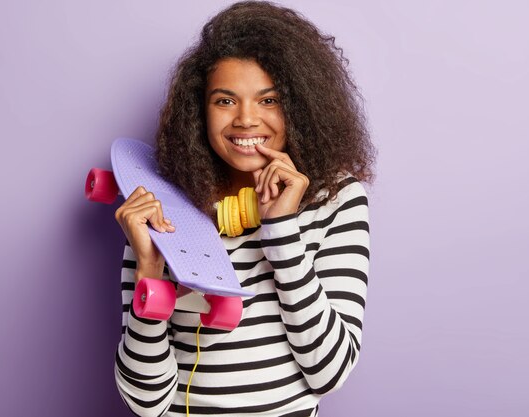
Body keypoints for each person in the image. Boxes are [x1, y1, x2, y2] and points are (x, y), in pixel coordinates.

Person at [113, 2, 375, 416]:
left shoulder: (336, 198)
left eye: (268, 100)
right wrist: (149, 272)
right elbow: (146, 404)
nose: (247, 120)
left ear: (301, 106)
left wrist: (282, 231)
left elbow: (330, 372)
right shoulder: (162, 204)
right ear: (199, 111)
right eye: (225, 101)